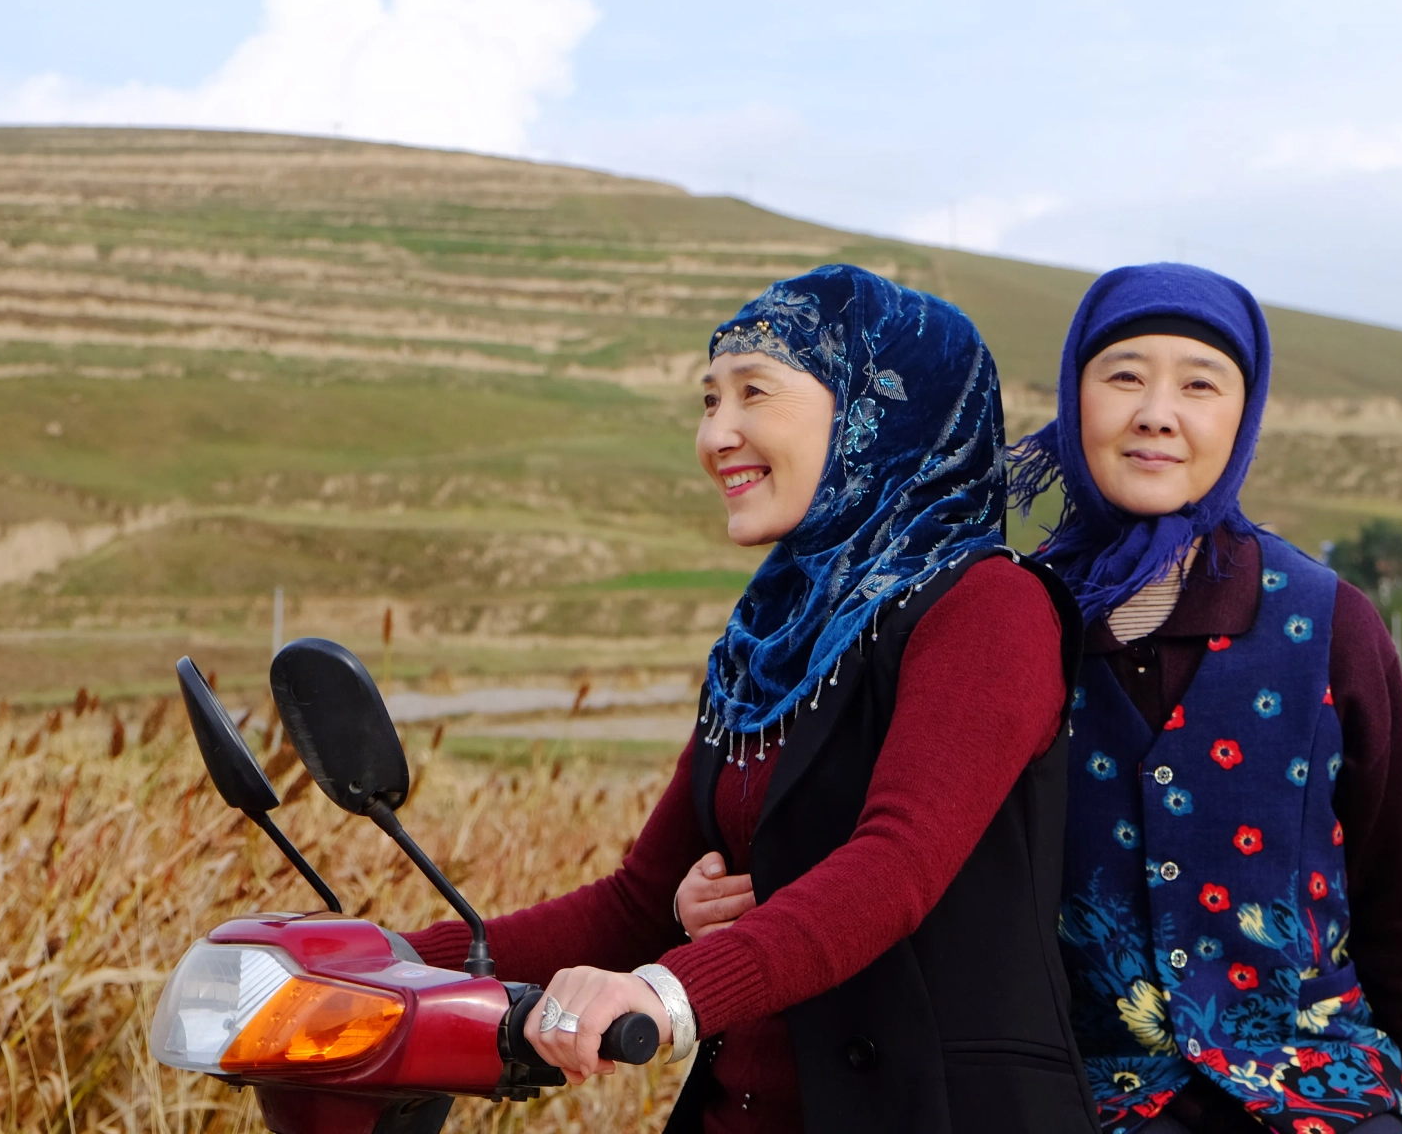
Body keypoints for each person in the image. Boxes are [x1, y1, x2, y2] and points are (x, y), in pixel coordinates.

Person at [403, 264, 1100, 1134]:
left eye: (754, 393)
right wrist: (393, 963)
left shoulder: (986, 607)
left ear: (875, 411)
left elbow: (896, 866)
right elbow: (638, 902)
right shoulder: (767, 643)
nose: (717, 435)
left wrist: (666, 994)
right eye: (708, 401)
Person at [989, 262, 1402, 1134]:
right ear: (1074, 397)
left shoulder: (1328, 621)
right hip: (1085, 1099)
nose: (1157, 413)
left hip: (1320, 1091)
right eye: (1124, 376)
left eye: (1200, 384)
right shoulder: (1009, 623)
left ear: (1242, 414)